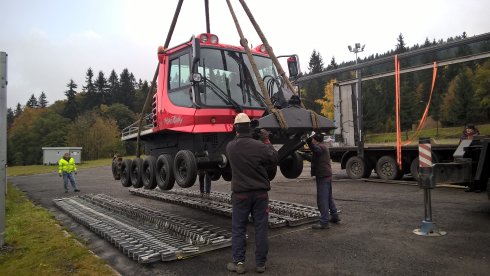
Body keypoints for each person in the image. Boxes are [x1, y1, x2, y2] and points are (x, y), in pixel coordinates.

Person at [225, 113, 278, 274]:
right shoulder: (259, 146)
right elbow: (273, 158)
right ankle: (260, 264)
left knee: (239, 229)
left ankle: (239, 263)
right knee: (261, 228)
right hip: (260, 194)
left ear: (236, 128)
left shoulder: (230, 147)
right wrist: (266, 139)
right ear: (250, 127)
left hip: (241, 195)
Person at [306, 133, 340, 229]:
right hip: (326, 175)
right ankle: (335, 216)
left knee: (322, 200)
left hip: (323, 176)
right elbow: (315, 158)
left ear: (315, 140)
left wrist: (308, 140)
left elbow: (314, 149)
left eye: (312, 139)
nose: (312, 140)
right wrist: (303, 155)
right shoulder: (323, 147)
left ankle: (324, 222)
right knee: (328, 197)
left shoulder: (319, 147)